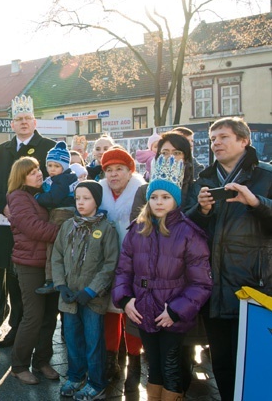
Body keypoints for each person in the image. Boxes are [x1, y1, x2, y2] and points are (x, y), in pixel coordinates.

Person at [186, 117, 272, 401]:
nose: (216, 144)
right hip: (213, 285)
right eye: (212, 139)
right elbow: (185, 230)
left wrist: (257, 203)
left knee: (255, 362)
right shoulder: (205, 180)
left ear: (244, 141)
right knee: (221, 361)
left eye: (223, 137)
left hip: (254, 285)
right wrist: (201, 211)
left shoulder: (267, 176)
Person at [114, 156, 212, 400]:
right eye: (155, 197)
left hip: (171, 312)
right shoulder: (138, 229)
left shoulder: (188, 232)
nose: (159, 202)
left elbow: (201, 282)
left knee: (171, 366)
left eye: (166, 197)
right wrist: (125, 299)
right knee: (153, 366)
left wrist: (177, 311)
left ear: (175, 200)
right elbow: (123, 270)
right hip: (143, 308)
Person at [0, 95, 56, 347]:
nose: (23, 122)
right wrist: (4, 206)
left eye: (27, 118)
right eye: (18, 119)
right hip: (6, 223)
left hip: (35, 225)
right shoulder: (2, 151)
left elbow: (55, 183)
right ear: (11, 124)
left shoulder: (49, 146)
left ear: (34, 122)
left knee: (35, 279)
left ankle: (37, 334)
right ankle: (16, 328)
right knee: (13, 278)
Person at [52, 180, 119, 400]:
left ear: (96, 201)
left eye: (86, 198)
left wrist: (91, 290)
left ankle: (96, 381)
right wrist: (61, 284)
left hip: (92, 298)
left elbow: (110, 264)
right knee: (72, 338)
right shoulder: (67, 226)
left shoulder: (106, 229)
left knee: (93, 340)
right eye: (78, 198)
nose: (81, 203)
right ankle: (75, 375)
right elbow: (57, 257)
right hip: (69, 296)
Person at [6, 157, 59, 385]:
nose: (39, 173)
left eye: (38, 169)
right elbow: (33, 228)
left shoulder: (40, 195)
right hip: (29, 265)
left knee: (49, 317)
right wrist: (66, 232)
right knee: (33, 316)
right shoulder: (18, 197)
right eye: (32, 171)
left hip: (49, 264)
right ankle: (18, 365)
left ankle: (42, 361)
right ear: (21, 177)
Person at [98, 147, 146, 389]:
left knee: (132, 313)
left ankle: (134, 366)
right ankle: (111, 362)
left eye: (119, 169)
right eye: (109, 170)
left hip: (135, 263)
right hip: (106, 262)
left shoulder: (142, 192)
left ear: (130, 171)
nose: (114, 174)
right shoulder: (100, 192)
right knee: (109, 313)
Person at [33, 141, 77, 294]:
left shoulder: (62, 180)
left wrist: (38, 197)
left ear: (64, 167)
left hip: (62, 212)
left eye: (56, 166)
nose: (52, 169)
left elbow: (53, 198)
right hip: (63, 211)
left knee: (53, 246)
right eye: (49, 165)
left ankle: (51, 279)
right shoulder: (62, 178)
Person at [131, 132, 195, 221]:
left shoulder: (195, 189)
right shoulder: (144, 191)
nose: (170, 157)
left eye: (176, 153)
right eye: (165, 153)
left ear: (186, 157)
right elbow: (137, 227)